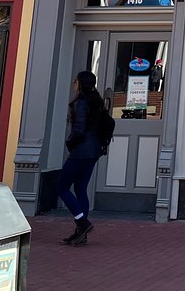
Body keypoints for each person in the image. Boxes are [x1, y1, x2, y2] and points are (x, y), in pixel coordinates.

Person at [58, 71, 104, 246]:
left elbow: (79, 129)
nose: (73, 83)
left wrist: (70, 143)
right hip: (93, 151)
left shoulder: (81, 103)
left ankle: (82, 223)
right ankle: (80, 234)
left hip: (80, 152)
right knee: (80, 188)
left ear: (81, 83)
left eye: (75, 80)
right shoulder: (96, 101)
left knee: (61, 187)